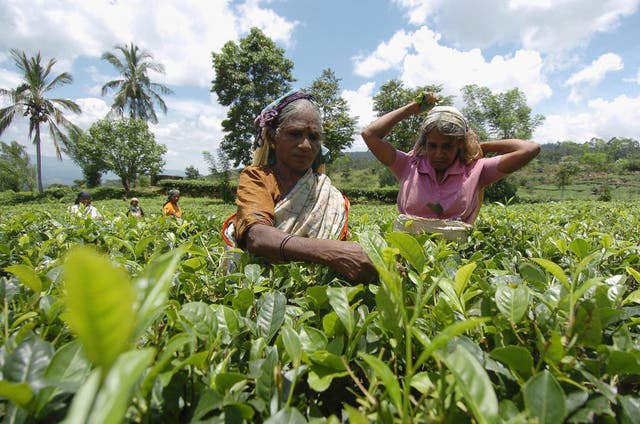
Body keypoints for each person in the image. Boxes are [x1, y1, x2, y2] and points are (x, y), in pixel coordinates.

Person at [221, 90, 376, 282]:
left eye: (314, 137)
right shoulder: (258, 177)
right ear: (272, 137)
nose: (305, 145)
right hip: (262, 287)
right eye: (295, 134)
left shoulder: (326, 192)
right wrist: (333, 252)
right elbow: (257, 236)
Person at [361, 92, 540, 233]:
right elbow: (370, 134)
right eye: (432, 145)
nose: (439, 154)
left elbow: (530, 149)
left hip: (455, 256)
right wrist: (412, 109)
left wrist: (481, 146)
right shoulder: (408, 165)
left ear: (460, 144)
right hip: (408, 254)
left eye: (447, 146)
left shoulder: (476, 171)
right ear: (425, 143)